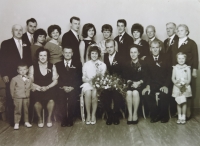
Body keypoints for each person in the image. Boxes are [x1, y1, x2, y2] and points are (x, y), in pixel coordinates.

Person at [0, 24, 32, 126]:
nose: (18, 32)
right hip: (10, 75)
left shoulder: (26, 43)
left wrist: (29, 74)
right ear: (12, 31)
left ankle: (24, 120)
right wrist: (4, 74)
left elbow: (29, 60)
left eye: (20, 30)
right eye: (16, 30)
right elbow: (2, 60)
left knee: (25, 98)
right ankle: (14, 121)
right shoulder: (6, 43)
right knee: (12, 98)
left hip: (24, 74)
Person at [171, 24, 199, 120]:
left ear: (186, 32)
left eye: (182, 30)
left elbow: (195, 57)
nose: (179, 32)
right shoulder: (175, 42)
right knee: (178, 90)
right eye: (178, 30)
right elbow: (172, 56)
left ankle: (187, 112)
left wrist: (194, 70)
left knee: (186, 90)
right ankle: (178, 112)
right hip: (177, 70)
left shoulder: (191, 43)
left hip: (187, 71)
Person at [142, 40, 171, 123]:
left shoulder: (166, 58)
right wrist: (148, 86)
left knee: (164, 94)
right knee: (147, 94)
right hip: (152, 84)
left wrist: (166, 85)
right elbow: (146, 75)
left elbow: (169, 73)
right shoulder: (147, 59)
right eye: (153, 48)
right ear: (150, 49)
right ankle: (155, 114)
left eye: (157, 48)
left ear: (160, 48)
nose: (155, 49)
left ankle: (164, 115)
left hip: (164, 83)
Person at [29, 48, 58, 128]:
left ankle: (49, 118)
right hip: (37, 88)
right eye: (41, 55)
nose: (42, 57)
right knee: (36, 101)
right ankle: (40, 118)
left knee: (51, 99)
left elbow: (55, 80)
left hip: (49, 88)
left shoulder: (52, 66)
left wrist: (47, 87)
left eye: (45, 55)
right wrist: (38, 87)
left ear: (47, 56)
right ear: (38, 57)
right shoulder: (32, 67)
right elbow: (30, 80)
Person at [55, 47, 82, 127]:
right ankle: (63, 118)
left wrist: (73, 87)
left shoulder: (78, 64)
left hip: (73, 88)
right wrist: (63, 87)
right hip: (62, 88)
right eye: (66, 52)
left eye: (69, 52)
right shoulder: (57, 65)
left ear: (72, 54)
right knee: (61, 97)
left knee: (72, 97)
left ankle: (70, 118)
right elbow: (57, 78)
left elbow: (79, 78)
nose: (67, 54)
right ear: (63, 53)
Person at [81, 46, 106, 124]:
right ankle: (88, 114)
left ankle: (93, 115)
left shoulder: (102, 64)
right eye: (92, 53)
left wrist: (96, 82)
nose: (94, 55)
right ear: (89, 54)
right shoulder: (86, 64)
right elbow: (83, 78)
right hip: (88, 83)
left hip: (98, 84)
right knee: (88, 93)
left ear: (98, 55)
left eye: (96, 53)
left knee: (94, 93)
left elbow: (102, 77)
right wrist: (89, 81)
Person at [101, 39, 122, 125]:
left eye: (111, 47)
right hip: (108, 82)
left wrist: (117, 81)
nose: (109, 49)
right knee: (104, 94)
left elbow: (123, 71)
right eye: (107, 47)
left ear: (115, 47)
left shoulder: (121, 56)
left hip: (118, 81)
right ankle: (109, 115)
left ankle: (116, 115)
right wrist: (107, 82)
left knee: (117, 94)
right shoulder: (104, 56)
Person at [123, 45, 146, 124]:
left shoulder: (143, 64)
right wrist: (131, 83)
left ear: (138, 53)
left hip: (140, 84)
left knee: (135, 92)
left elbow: (146, 77)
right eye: (131, 52)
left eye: (135, 52)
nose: (133, 54)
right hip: (130, 84)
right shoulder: (127, 64)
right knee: (129, 92)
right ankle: (130, 114)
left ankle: (135, 114)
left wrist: (138, 82)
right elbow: (125, 77)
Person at [10, 62, 32, 130]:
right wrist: (13, 97)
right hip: (18, 97)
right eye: (21, 70)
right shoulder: (14, 79)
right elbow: (11, 88)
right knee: (17, 110)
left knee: (26, 110)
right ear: (18, 71)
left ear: (27, 70)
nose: (23, 71)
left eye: (24, 69)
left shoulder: (29, 78)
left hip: (26, 97)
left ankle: (26, 121)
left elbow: (30, 86)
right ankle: (17, 123)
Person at [172, 52, 192, 124]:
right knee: (178, 102)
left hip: (185, 87)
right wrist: (177, 85)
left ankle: (183, 116)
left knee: (184, 102)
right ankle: (179, 117)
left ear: (185, 59)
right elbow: (173, 78)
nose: (181, 60)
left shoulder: (187, 68)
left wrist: (184, 85)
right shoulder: (175, 68)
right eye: (179, 58)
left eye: (183, 58)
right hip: (177, 87)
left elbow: (189, 79)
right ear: (177, 59)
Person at [164, 22, 179, 117]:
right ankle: (171, 111)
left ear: (175, 29)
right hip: (167, 69)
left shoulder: (178, 39)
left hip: (176, 68)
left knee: (175, 89)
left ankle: (175, 111)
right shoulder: (165, 41)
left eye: (170, 28)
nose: (168, 30)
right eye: (167, 28)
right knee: (169, 88)